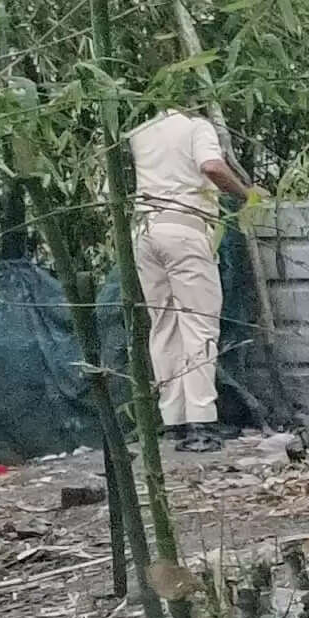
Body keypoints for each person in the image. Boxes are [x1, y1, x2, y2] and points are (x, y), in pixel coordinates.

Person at [126, 106, 252, 440]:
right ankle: (202, 422)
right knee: (198, 324)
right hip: (185, 228)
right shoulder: (197, 127)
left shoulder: (141, 131)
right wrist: (246, 194)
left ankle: (174, 420)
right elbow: (211, 166)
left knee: (164, 325)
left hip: (145, 231)